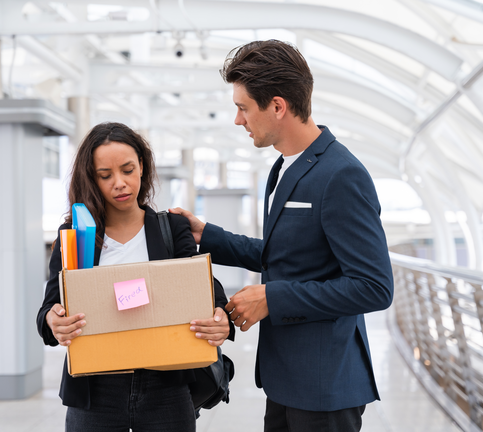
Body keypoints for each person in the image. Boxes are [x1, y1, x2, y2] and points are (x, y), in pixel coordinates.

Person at [169, 40, 394, 432]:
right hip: (285, 378)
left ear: (277, 106)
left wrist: (273, 297)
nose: (238, 120)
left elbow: (374, 287)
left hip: (325, 388)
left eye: (242, 108)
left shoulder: (342, 175)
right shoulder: (282, 168)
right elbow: (286, 254)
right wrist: (208, 236)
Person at [36, 122, 234, 432]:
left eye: (128, 170)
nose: (120, 183)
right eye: (105, 175)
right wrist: (53, 319)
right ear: (91, 179)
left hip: (166, 389)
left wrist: (221, 314)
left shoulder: (171, 229)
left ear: (142, 167)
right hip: (94, 391)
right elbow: (50, 304)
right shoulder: (75, 236)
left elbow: (202, 282)